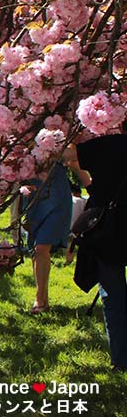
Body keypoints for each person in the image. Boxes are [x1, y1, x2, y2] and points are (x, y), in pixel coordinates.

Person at [72, 133, 127, 372]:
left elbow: (66, 152)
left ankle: (121, 360)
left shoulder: (106, 144)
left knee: (114, 297)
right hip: (113, 228)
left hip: (109, 231)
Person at [24, 149, 89, 314]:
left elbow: (74, 160)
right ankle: (43, 299)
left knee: (42, 247)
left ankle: (39, 300)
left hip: (57, 199)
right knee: (36, 248)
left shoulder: (59, 136)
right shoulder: (20, 139)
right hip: (33, 197)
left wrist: (92, 186)